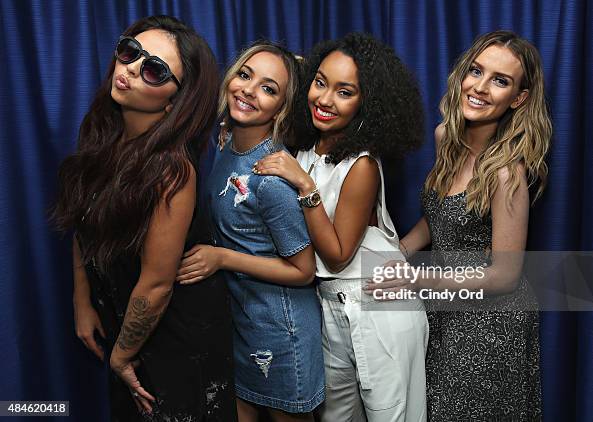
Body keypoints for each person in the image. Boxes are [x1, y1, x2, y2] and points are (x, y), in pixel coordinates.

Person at [52, 15, 236, 421]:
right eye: (130, 51)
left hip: (176, 339)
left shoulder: (172, 171)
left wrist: (121, 357)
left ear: (175, 99)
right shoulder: (102, 137)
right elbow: (85, 228)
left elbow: (156, 285)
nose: (132, 68)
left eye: (154, 69)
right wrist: (82, 300)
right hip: (129, 329)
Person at [365, 30, 552, 421]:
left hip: (491, 323)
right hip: (443, 308)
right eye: (476, 71)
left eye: (500, 81)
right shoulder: (445, 137)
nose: (480, 87)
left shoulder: (507, 173)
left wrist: (416, 279)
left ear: (518, 99)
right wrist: (394, 253)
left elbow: (504, 275)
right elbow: (438, 218)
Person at [252, 33, 429, 422]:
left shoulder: (362, 165)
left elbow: (335, 255)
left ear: (367, 102)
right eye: (319, 82)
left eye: (344, 91)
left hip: (380, 309)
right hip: (328, 309)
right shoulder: (303, 151)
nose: (325, 99)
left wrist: (305, 185)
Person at [176, 41, 324, 422]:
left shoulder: (270, 177)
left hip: (281, 329)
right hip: (243, 322)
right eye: (245, 75)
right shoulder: (226, 143)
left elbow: (304, 271)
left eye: (268, 88)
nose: (248, 89)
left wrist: (221, 258)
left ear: (282, 108)